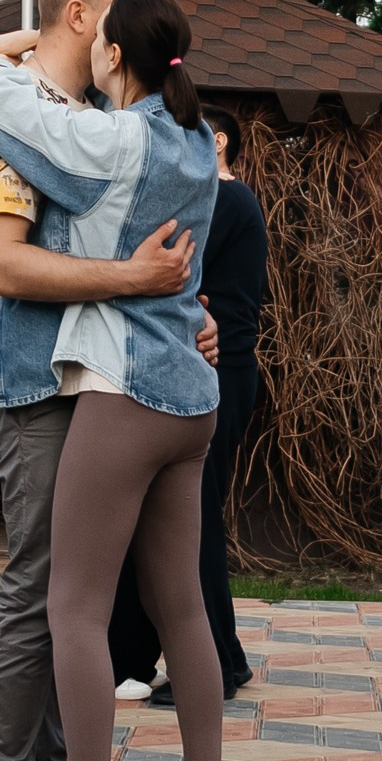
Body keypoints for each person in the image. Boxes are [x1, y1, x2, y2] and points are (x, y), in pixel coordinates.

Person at [0, 0, 244, 761]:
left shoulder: (112, 140)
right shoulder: (200, 143)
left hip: (122, 394)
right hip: (193, 400)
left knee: (72, 608)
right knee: (184, 610)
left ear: (111, 54)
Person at [112, 106, 269, 705]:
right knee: (189, 521)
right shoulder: (227, 201)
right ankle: (219, 656)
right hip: (215, 369)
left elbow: (169, 275)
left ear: (220, 140)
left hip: (215, 371)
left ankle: (213, 668)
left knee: (190, 523)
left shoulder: (224, 200)